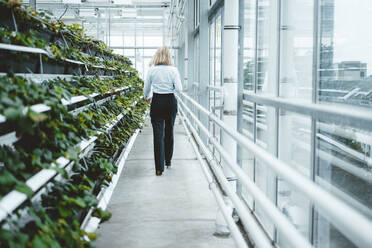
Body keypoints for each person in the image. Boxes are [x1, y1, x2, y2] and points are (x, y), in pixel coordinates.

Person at [143, 46, 183, 176]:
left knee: (158, 134)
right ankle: (168, 160)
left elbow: (146, 88)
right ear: (169, 56)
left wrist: (147, 97)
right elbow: (179, 89)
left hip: (157, 102)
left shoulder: (152, 70)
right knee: (169, 131)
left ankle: (159, 168)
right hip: (170, 102)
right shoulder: (173, 70)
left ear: (157, 56)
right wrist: (170, 88)